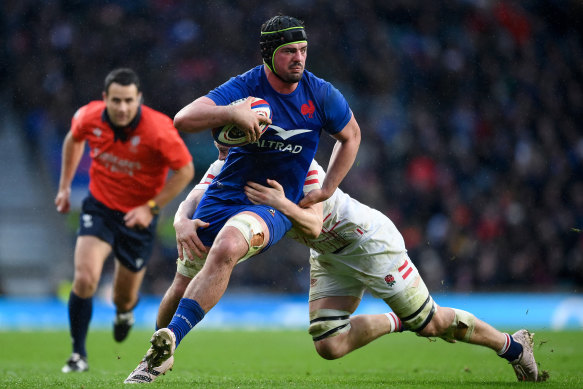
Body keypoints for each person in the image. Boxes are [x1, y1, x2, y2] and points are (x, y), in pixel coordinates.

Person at [149, 152, 547, 383]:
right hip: (328, 255)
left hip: (366, 242)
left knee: (432, 324)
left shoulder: (300, 164)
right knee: (329, 345)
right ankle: (398, 319)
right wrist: (182, 219)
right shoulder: (231, 163)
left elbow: (313, 223)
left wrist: (280, 202)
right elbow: (198, 193)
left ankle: (512, 346)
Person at [124, 14, 361, 383]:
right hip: (225, 194)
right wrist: (231, 111)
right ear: (269, 54)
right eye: (289, 52)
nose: (299, 58)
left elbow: (351, 136)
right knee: (182, 284)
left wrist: (327, 188)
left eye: (303, 50)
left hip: (271, 202)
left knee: (228, 246)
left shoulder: (320, 93)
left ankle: (171, 337)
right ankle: (157, 351)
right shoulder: (245, 86)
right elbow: (184, 118)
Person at [55, 68, 194, 373]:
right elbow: (73, 139)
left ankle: (124, 312)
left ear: (138, 99)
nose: (121, 107)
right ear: (105, 99)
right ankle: (78, 355)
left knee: (123, 297)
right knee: (85, 277)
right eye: (115, 100)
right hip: (100, 207)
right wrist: (65, 187)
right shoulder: (88, 116)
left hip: (139, 218)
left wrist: (151, 207)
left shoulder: (158, 129)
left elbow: (185, 170)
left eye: (128, 101)